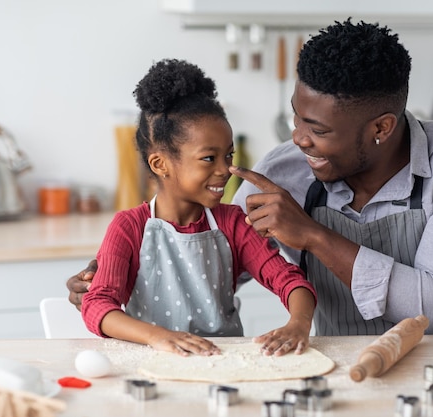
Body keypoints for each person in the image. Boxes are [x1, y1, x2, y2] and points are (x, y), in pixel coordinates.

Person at [68, 19, 433, 336]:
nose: (299, 139)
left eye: (319, 130)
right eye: (297, 117)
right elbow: (221, 252)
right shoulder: (283, 170)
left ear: (381, 128)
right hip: (339, 370)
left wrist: (313, 235)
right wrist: (120, 271)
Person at [79, 58, 316, 356]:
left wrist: (298, 323)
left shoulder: (233, 223)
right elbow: (98, 306)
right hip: (152, 362)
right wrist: (159, 337)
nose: (224, 170)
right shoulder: (129, 227)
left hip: (223, 364)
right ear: (160, 164)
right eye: (209, 158)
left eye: (228, 156)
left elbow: (291, 281)